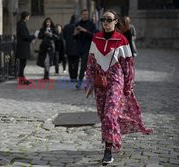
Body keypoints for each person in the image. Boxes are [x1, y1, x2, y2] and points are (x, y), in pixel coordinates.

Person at [85, 9, 153, 165]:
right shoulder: (96, 39)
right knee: (104, 115)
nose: (106, 22)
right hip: (100, 82)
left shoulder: (122, 40)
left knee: (109, 114)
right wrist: (88, 83)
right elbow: (90, 63)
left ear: (116, 21)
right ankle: (112, 136)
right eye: (103, 19)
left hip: (116, 80)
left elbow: (128, 66)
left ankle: (108, 150)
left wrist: (128, 86)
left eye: (109, 19)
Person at [73, 9, 98, 88]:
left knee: (84, 65)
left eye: (87, 14)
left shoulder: (92, 24)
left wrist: (85, 31)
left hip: (89, 48)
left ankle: (80, 82)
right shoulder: (78, 24)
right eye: (84, 14)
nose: (85, 16)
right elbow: (74, 37)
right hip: (80, 47)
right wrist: (75, 33)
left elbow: (94, 35)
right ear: (81, 15)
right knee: (85, 66)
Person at [16, 11, 35, 85]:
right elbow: (24, 36)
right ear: (26, 17)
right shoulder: (21, 25)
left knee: (23, 64)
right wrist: (33, 36)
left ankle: (22, 78)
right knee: (22, 64)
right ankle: (21, 79)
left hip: (23, 47)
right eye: (28, 17)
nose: (29, 18)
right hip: (22, 47)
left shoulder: (22, 24)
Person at [63, 15, 79, 82]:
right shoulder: (78, 27)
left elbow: (64, 36)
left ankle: (71, 77)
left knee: (70, 63)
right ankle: (75, 77)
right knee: (76, 63)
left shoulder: (66, 27)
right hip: (77, 48)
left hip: (68, 47)